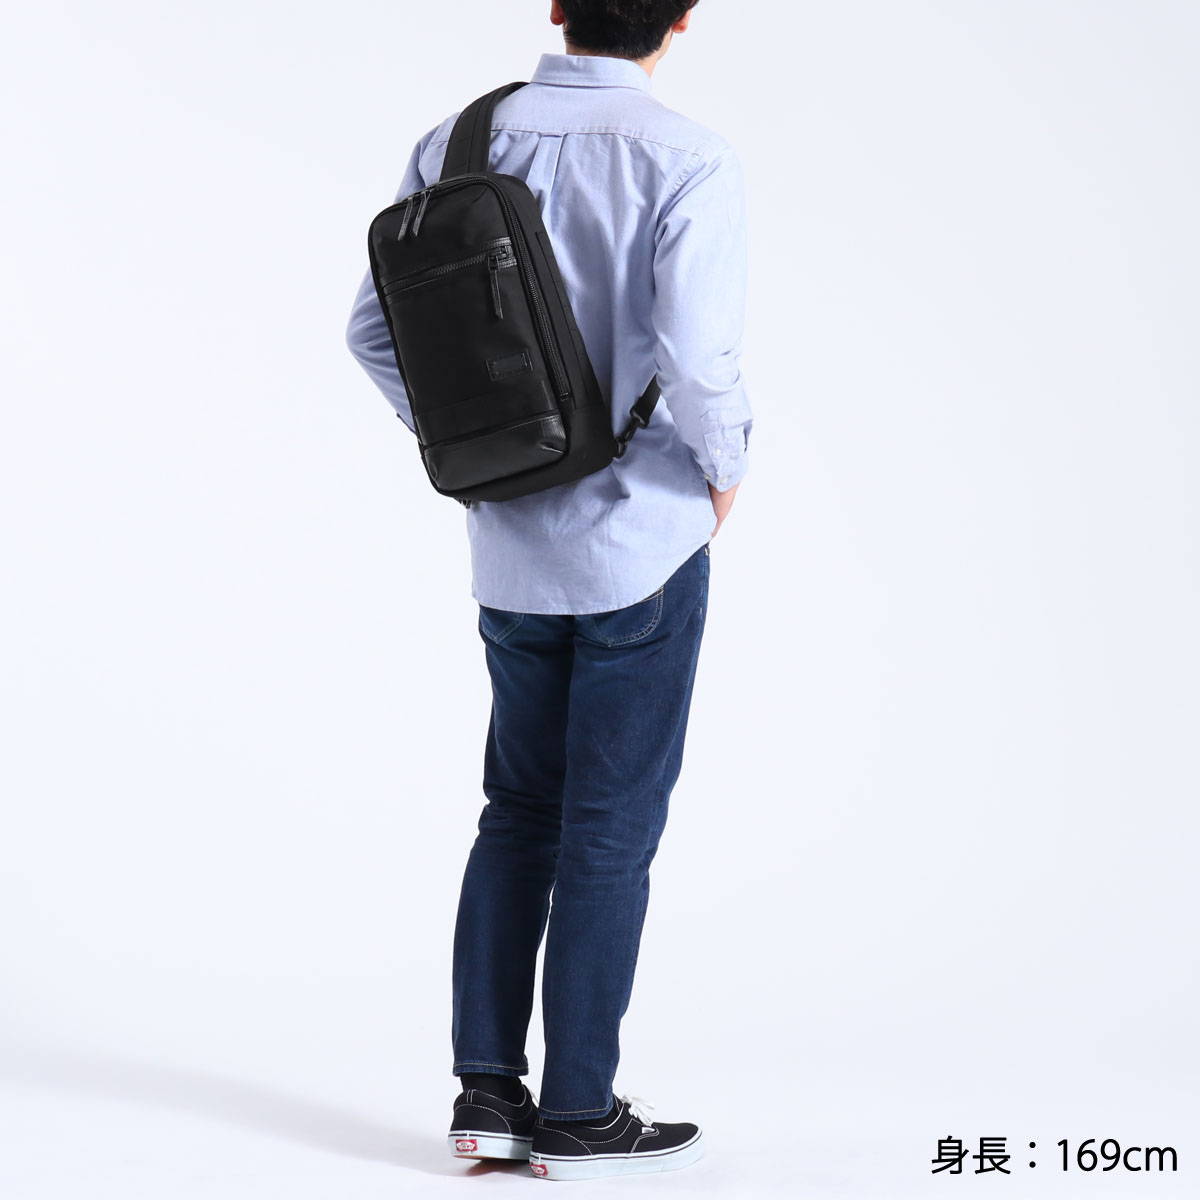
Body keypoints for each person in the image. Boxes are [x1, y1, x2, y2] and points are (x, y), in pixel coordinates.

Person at [346, 0, 751, 1181]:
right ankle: (580, 1107)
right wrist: (724, 472)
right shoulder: (688, 156)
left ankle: (486, 1097)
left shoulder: (458, 141)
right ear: (682, 19)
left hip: (511, 544)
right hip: (642, 541)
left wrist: (479, 442)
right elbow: (699, 357)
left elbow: (373, 333)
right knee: (609, 828)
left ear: (560, 8)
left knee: (516, 811)